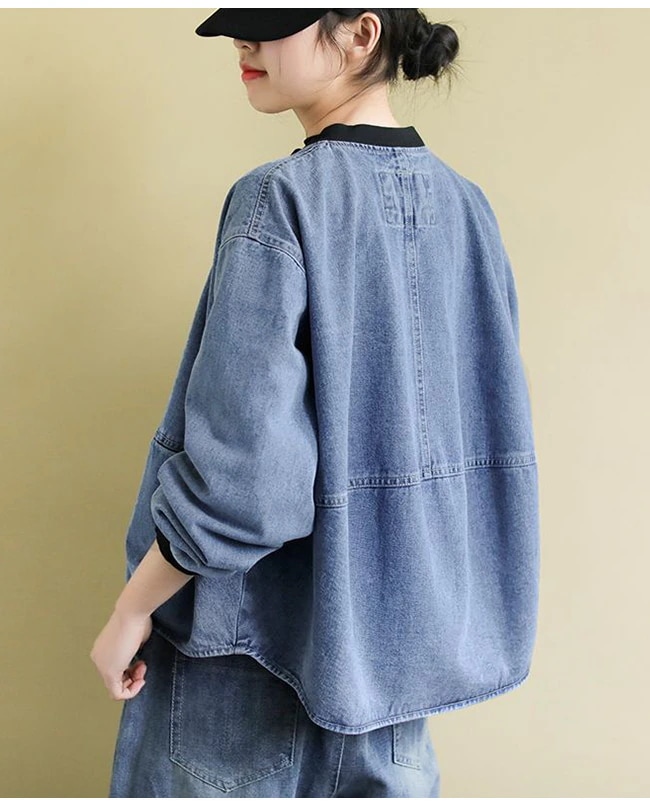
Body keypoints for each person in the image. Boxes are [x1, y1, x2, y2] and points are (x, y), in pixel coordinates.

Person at [91, 9, 540, 798]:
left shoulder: (278, 201)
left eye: (275, 20)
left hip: (247, 666)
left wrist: (132, 609)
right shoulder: (470, 210)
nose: (245, 42)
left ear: (362, 35)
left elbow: (247, 484)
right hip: (396, 680)